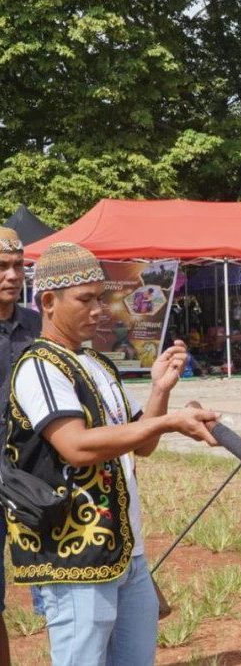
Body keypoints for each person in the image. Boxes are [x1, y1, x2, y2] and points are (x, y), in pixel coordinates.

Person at [6, 242, 218, 665]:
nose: (99, 309)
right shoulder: (40, 367)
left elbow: (142, 443)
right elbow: (76, 446)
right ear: (49, 302)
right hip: (76, 556)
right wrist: (167, 420)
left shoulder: (98, 365)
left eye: (101, 298)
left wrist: (160, 390)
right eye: (86, 299)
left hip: (126, 551)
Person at [0, 228, 38, 666]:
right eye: (2, 267)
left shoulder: (38, 325)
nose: (12, 275)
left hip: (37, 468)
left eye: (17, 266)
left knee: (62, 576)